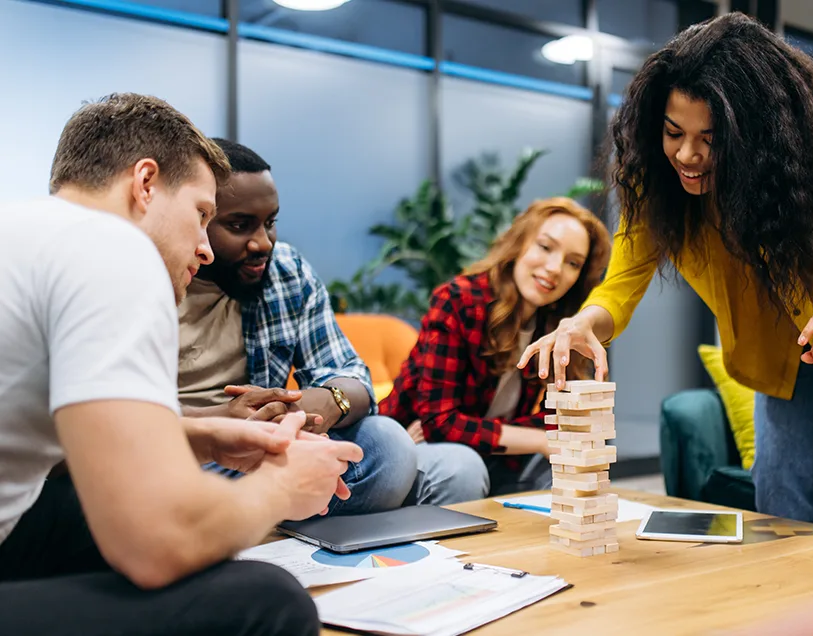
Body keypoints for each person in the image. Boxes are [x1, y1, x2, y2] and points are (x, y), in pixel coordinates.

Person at [519, 13, 813, 541]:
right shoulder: (657, 175)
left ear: (758, 138)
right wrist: (583, 323)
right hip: (780, 287)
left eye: (710, 139)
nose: (688, 155)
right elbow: (621, 284)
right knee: (781, 472)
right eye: (675, 133)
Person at [0, 93, 364, 635]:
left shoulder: (25, 230)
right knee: (268, 600)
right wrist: (280, 488)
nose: (206, 247)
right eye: (201, 215)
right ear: (145, 184)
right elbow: (156, 547)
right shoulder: (112, 250)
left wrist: (198, 437)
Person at [178, 138, 488, 508]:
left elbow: (352, 376)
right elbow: (119, 424)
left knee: (416, 453)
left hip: (272, 451)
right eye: (240, 225)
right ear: (200, 218)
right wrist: (221, 423)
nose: (263, 243)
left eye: (270, 223)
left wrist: (324, 402)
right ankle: (299, 514)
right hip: (180, 458)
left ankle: (300, 521)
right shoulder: (150, 274)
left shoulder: (285, 270)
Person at [380, 197, 611, 495]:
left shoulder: (558, 325)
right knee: (464, 468)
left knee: (579, 452)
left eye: (573, 263)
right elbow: (440, 423)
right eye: (545, 247)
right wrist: (539, 439)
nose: (555, 268)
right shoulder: (458, 302)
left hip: (494, 456)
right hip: (418, 452)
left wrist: (487, 429)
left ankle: (553, 540)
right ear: (519, 243)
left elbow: (566, 417)